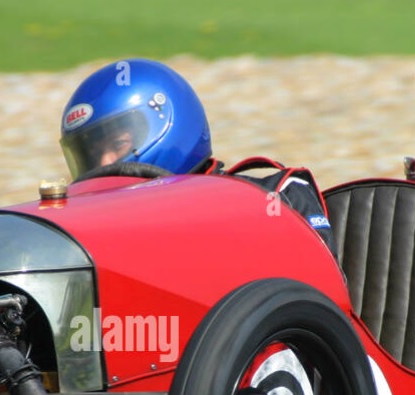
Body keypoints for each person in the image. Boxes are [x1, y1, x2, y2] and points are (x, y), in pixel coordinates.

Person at [59, 58, 335, 251]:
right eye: (92, 155)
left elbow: (319, 302)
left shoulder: (276, 197)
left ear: (168, 122)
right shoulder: (99, 231)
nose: (105, 163)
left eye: (118, 143)